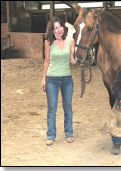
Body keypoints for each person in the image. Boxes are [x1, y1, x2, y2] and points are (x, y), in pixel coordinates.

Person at [41, 16, 76, 146]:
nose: (59, 30)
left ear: (63, 27)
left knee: (67, 107)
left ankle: (69, 133)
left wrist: (73, 60)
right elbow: (46, 61)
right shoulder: (48, 43)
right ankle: (51, 135)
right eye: (56, 28)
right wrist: (43, 78)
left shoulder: (70, 41)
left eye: (60, 26)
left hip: (67, 78)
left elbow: (72, 60)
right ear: (52, 30)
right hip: (52, 79)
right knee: (52, 108)